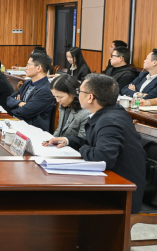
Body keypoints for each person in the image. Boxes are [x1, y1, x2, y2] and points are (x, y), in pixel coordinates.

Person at [44, 74, 146, 213]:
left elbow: (102, 157)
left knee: (55, 196)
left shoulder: (110, 121)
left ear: (90, 97)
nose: (77, 94)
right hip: (112, 182)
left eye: (80, 91)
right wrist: (67, 140)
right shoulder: (108, 113)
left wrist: (83, 148)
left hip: (121, 193)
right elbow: (92, 142)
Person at [6, 53, 56, 131]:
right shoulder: (27, 83)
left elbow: (24, 112)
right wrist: (19, 103)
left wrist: (13, 106)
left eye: (28, 65)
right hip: (19, 124)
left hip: (32, 130)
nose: (26, 68)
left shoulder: (46, 90)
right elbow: (9, 99)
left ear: (38, 68)